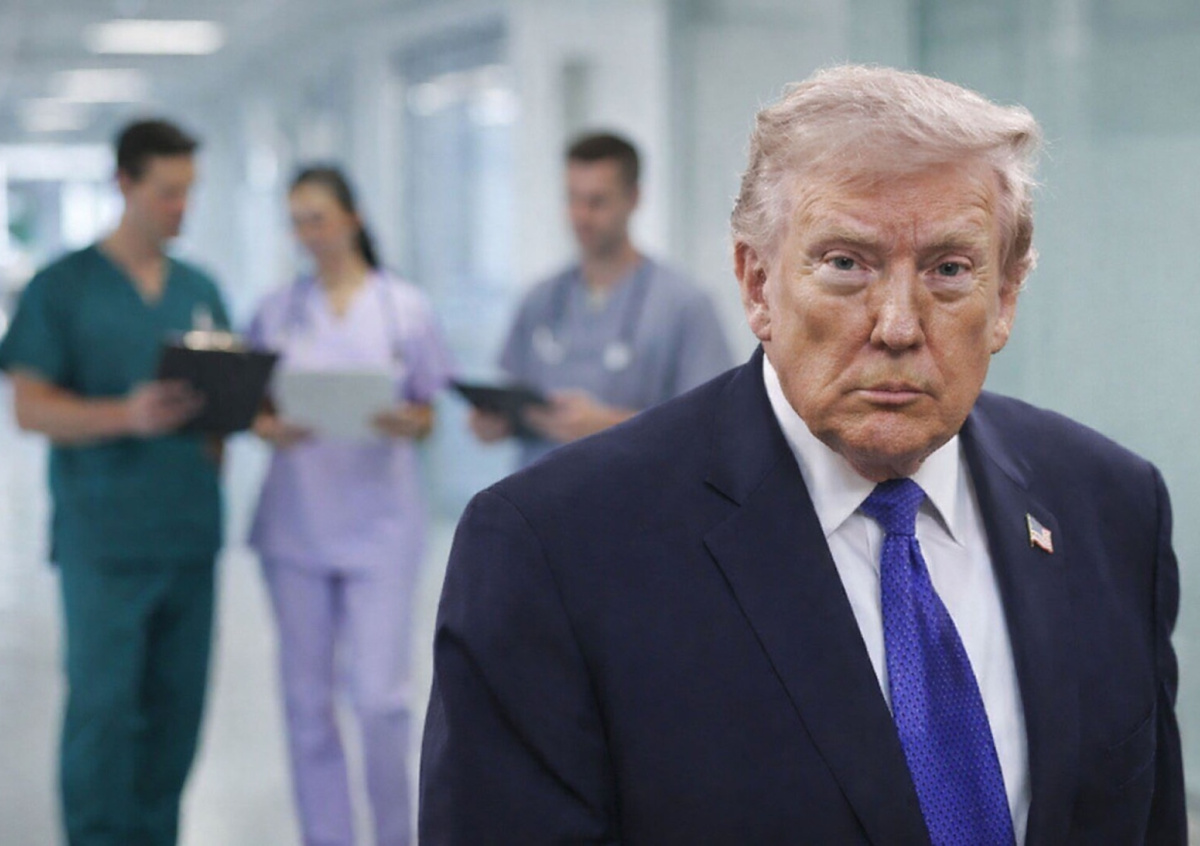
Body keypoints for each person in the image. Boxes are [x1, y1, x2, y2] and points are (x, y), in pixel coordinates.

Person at [420, 66, 1185, 844]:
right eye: (846, 264)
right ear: (758, 284)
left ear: (1006, 298)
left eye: (949, 270)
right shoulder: (557, 549)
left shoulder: (1111, 508)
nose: (897, 325)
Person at [0, 119, 229, 845]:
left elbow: (222, 402)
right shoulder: (62, 288)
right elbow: (31, 408)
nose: (181, 208)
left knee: (175, 715)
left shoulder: (199, 289)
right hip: (106, 542)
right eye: (167, 192)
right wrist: (126, 415)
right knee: (103, 713)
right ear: (124, 183)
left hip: (189, 538)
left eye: (189, 192)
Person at [247, 165, 453, 846]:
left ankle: (395, 836)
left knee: (379, 702)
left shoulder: (403, 308)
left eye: (318, 218)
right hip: (296, 526)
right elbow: (252, 405)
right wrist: (268, 426)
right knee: (307, 704)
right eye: (297, 222)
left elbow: (429, 410)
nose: (308, 234)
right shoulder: (276, 311)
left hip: (381, 528)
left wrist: (408, 421)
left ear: (352, 219)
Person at [469, 131, 733, 466]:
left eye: (597, 202)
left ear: (633, 198)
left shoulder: (685, 305)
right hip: (539, 493)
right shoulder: (539, 299)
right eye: (572, 199)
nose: (581, 216)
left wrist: (608, 425)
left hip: (635, 495)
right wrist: (492, 424)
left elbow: (714, 425)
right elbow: (510, 398)